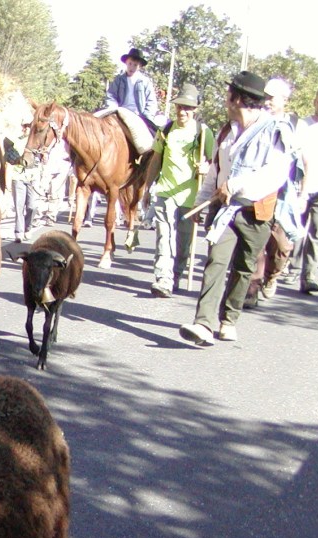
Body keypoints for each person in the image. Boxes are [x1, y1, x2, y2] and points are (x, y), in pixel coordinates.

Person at [178, 71, 291, 346]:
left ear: (238, 99)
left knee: (244, 268)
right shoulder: (227, 131)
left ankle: (229, 319)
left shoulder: (274, 130)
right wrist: (199, 202)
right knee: (216, 261)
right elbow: (217, 170)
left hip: (256, 211)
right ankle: (203, 323)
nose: (225, 101)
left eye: (228, 96)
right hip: (225, 209)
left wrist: (237, 184)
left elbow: (275, 173)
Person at [145, 83, 215, 298]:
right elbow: (156, 159)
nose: (183, 112)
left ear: (195, 110)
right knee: (163, 237)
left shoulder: (203, 133)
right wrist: (148, 188)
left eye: (188, 108)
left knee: (183, 242)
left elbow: (214, 163)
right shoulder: (165, 130)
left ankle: (176, 274)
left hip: (190, 196)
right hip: (166, 191)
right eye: (180, 107)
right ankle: (163, 278)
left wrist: (206, 167)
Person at [243, 78, 302, 307]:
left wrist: (303, 194)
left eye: (271, 97)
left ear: (284, 101)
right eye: (264, 97)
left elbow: (302, 162)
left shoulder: (296, 125)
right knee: (255, 243)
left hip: (284, 193)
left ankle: (272, 276)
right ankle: (251, 288)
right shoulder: (255, 121)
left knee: (281, 245)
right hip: (259, 193)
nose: (266, 101)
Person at [284, 86, 318, 294]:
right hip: (301, 185)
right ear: (314, 101)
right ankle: (292, 268)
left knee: (317, 233)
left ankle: (309, 276)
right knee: (297, 229)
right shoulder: (303, 125)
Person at [104, 48, 161, 133]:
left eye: (135, 65)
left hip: (139, 116)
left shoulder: (145, 81)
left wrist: (146, 116)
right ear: (126, 62)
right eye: (130, 64)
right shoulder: (119, 79)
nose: (132, 67)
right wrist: (113, 109)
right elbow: (111, 95)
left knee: (151, 137)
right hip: (121, 113)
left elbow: (151, 102)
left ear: (140, 66)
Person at [31, 137, 72, 227]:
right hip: (47, 165)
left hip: (62, 165)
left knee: (55, 193)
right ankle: (37, 216)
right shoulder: (48, 134)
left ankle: (51, 216)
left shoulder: (67, 136)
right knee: (41, 192)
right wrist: (42, 154)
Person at [8, 122, 37, 241]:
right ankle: (18, 232)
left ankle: (28, 228)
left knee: (32, 206)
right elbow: (10, 158)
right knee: (19, 206)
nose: (25, 129)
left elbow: (43, 158)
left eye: (28, 126)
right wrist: (19, 159)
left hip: (32, 178)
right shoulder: (16, 141)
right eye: (24, 126)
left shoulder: (37, 142)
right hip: (18, 177)